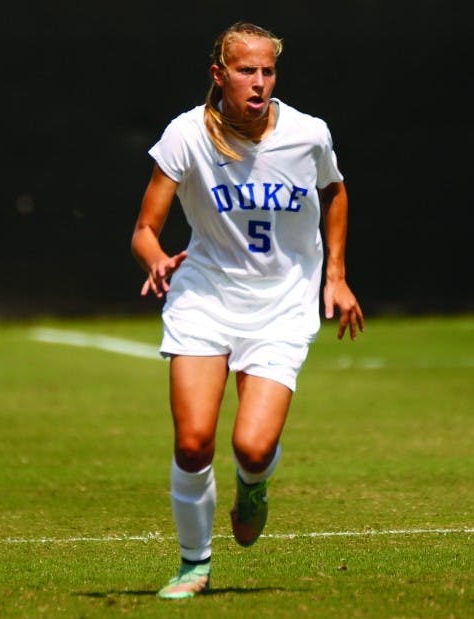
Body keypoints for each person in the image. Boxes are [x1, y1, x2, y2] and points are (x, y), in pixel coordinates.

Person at [131, 21, 364, 600]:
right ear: (219, 75)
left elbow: (335, 192)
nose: (259, 82)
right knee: (193, 442)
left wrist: (335, 276)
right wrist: (156, 260)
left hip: (282, 306)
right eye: (246, 71)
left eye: (268, 71)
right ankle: (194, 565)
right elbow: (144, 231)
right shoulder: (187, 135)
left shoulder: (308, 134)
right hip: (204, 299)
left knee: (253, 448)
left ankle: (253, 485)